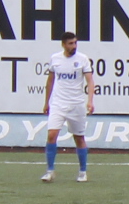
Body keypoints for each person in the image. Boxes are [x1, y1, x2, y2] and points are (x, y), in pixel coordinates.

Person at [39, 32, 96, 183]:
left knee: (79, 138)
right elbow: (50, 81)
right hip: (58, 103)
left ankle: (82, 172)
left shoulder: (82, 59)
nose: (74, 46)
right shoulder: (55, 59)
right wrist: (46, 102)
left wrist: (90, 101)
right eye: (70, 43)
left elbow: (90, 81)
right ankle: (50, 171)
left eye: (75, 43)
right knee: (52, 135)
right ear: (63, 44)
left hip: (76, 104)